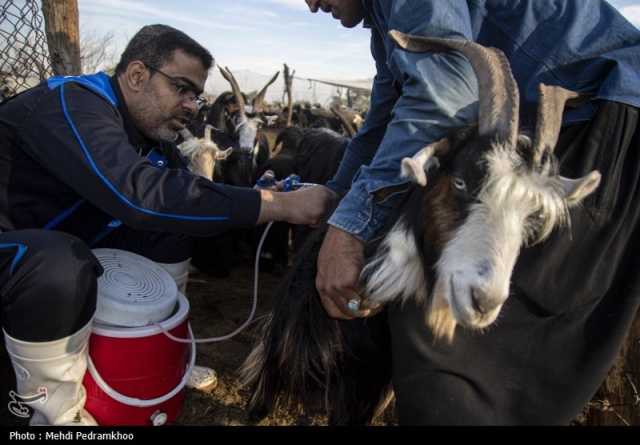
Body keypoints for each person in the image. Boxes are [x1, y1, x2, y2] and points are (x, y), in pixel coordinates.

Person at [307, 0, 640, 424]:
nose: (312, 4)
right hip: (585, 115)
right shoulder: (383, 20)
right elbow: (384, 118)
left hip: (599, 117)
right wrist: (336, 199)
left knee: (449, 349)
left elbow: (444, 94)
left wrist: (349, 233)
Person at [0, 24, 334, 426]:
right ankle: (50, 412)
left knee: (174, 225)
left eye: (197, 95)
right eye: (182, 88)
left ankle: (162, 351)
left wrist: (261, 191)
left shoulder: (152, 139)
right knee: (57, 262)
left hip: (57, 247)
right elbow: (137, 195)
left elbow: (188, 198)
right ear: (138, 75)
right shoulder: (73, 103)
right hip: (20, 251)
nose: (192, 106)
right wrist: (278, 205)